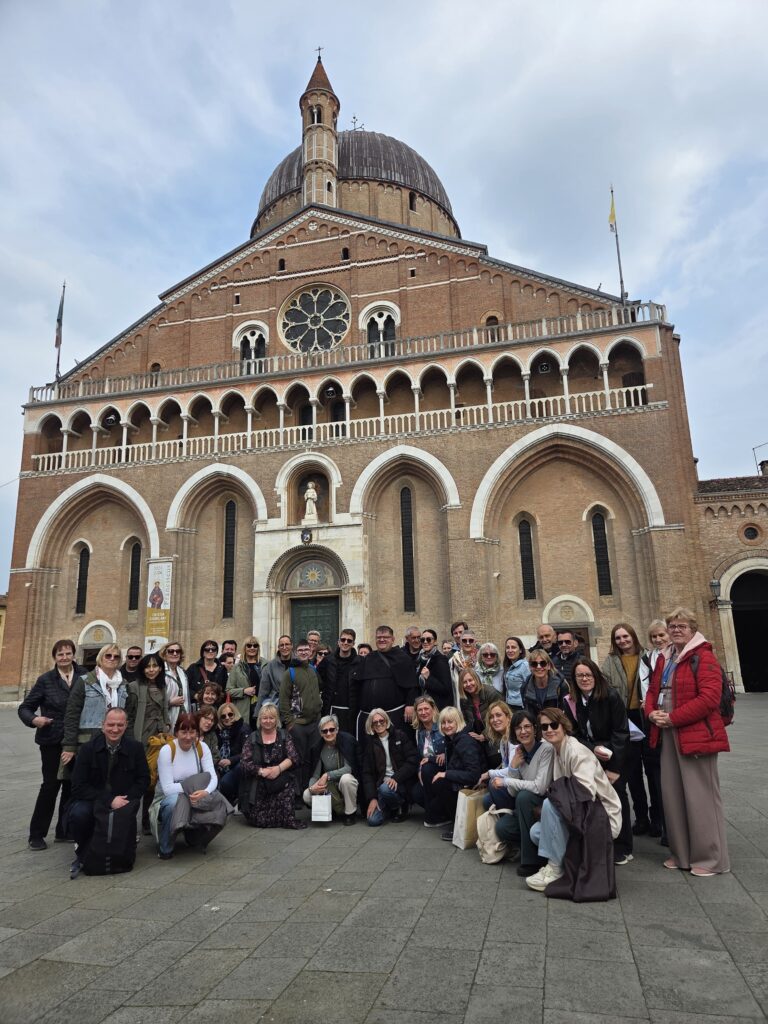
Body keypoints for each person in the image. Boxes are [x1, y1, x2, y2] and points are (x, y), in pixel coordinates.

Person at [645, 607, 730, 876]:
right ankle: (681, 853)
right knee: (673, 795)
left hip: (694, 733)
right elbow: (652, 691)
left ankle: (710, 859)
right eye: (672, 626)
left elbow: (709, 699)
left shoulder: (703, 657)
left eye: (682, 626)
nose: (676, 630)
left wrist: (673, 717)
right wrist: (651, 713)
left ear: (692, 629)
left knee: (700, 796)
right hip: (667, 731)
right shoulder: (665, 659)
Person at [526, 708, 622, 899]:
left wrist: (553, 801)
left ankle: (555, 868)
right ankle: (570, 861)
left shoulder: (576, 751)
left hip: (600, 816)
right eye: (544, 727)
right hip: (582, 812)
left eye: (554, 725)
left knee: (549, 807)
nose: (549, 730)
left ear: (563, 726)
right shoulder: (556, 750)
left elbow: (585, 792)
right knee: (536, 832)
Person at [563, 657, 633, 866]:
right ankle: (603, 842)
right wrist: (593, 748)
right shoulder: (572, 701)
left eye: (588, 674)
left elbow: (621, 732)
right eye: (579, 676)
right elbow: (573, 732)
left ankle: (623, 846)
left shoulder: (611, 696)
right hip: (589, 755)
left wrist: (614, 767)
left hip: (613, 755)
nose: (584, 679)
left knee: (617, 798)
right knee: (597, 799)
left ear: (595, 675)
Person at [68, 707, 149, 878]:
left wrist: (126, 799)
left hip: (124, 799)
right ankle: (83, 850)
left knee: (125, 815)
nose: (115, 729)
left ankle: (120, 851)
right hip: (93, 798)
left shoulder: (136, 748)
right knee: (78, 814)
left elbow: (143, 780)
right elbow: (78, 785)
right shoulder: (88, 749)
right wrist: (109, 800)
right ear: (102, 725)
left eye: (120, 725)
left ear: (126, 725)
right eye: (111, 724)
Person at [18, 638, 79, 850]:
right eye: (60, 654)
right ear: (55, 657)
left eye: (68, 653)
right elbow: (25, 708)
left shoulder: (83, 677)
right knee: (51, 785)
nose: (64, 657)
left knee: (72, 785)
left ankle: (64, 830)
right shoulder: (45, 680)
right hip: (52, 740)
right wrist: (35, 720)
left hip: (76, 740)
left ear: (74, 655)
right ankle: (37, 834)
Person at [601, 623, 653, 836]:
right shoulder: (611, 661)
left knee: (653, 770)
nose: (623, 641)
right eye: (618, 638)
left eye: (626, 636)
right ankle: (641, 818)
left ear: (633, 636)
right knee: (632, 773)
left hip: (646, 718)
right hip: (625, 720)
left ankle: (658, 818)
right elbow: (604, 687)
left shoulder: (648, 658)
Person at [490, 709, 555, 877]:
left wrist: (506, 780)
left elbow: (540, 787)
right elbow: (511, 792)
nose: (523, 731)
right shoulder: (519, 751)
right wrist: (513, 767)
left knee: (524, 797)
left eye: (527, 727)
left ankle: (531, 861)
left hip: (543, 803)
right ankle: (535, 847)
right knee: (502, 827)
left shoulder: (546, 749)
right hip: (525, 805)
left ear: (535, 729)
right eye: (519, 728)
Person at [151, 712, 220, 859]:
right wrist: (193, 791)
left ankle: (195, 834)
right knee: (173, 804)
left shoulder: (202, 748)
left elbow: (212, 777)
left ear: (197, 732)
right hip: (169, 796)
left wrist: (205, 792)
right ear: (176, 732)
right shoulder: (167, 750)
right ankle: (166, 846)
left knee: (217, 799)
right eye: (184, 732)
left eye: (192, 732)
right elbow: (168, 788)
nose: (188, 737)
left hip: (196, 791)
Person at [61, 644, 137, 775]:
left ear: (119, 661)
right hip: (88, 741)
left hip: (117, 741)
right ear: (100, 658)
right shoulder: (85, 681)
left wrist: (130, 744)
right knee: (86, 782)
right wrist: (69, 745)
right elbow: (72, 714)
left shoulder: (124, 685)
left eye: (116, 656)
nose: (112, 658)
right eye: (108, 655)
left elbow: (128, 717)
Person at [239, 703, 306, 829]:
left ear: (276, 720)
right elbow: (244, 763)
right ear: (260, 720)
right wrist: (261, 771)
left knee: (288, 785)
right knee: (260, 822)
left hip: (280, 779)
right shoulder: (252, 738)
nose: (268, 721)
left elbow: (294, 757)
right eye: (264, 718)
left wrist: (278, 769)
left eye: (271, 718)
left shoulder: (284, 735)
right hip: (259, 781)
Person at [424, 706, 484, 840]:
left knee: (440, 782)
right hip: (459, 781)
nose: (446, 726)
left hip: (472, 786)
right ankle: (450, 817)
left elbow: (474, 775)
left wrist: (446, 774)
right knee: (432, 808)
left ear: (458, 722)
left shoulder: (465, 741)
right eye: (443, 723)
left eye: (450, 722)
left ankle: (458, 825)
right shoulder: (451, 740)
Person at [129, 652, 170, 834]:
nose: (151, 670)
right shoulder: (134, 687)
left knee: (153, 780)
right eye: (147, 666)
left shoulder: (162, 687)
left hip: (157, 739)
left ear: (160, 668)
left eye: (155, 666)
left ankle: (147, 820)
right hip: (140, 738)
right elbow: (129, 715)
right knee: (137, 779)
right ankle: (129, 817)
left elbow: (164, 711)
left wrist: (166, 727)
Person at [354, 625, 417, 740]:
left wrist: (410, 704)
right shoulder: (368, 658)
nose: (382, 640)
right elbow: (358, 683)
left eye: (385, 637)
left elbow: (412, 684)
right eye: (379, 637)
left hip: (394, 715)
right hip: (370, 716)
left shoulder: (402, 658)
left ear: (392, 639)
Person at [362, 708, 419, 826]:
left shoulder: (400, 736)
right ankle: (390, 807)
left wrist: (396, 778)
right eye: (375, 722)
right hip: (381, 786)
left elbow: (413, 760)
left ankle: (401, 804)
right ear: (371, 726)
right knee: (373, 820)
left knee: (385, 789)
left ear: (387, 721)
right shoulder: (369, 744)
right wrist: (372, 798)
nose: (378, 724)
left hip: (400, 783)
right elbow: (367, 774)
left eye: (381, 721)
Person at [279, 639, 322, 794]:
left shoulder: (312, 670)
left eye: (307, 649)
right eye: (301, 650)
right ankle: (297, 793)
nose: (304, 652)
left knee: (313, 758)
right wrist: (290, 723)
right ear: (296, 652)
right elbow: (283, 700)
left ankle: (309, 791)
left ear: (311, 651)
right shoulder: (289, 673)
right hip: (298, 724)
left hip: (314, 723)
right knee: (297, 760)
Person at [641, 620, 670, 842]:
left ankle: (673, 826)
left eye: (662, 635)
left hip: (671, 721)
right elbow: (649, 688)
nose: (658, 640)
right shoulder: (648, 658)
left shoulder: (678, 656)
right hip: (652, 720)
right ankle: (659, 819)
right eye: (654, 637)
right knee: (655, 772)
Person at [303, 715, 359, 824]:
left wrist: (327, 775)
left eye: (331, 729)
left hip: (345, 783)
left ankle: (350, 813)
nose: (328, 733)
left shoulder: (347, 741)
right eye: (325, 731)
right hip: (330, 787)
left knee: (346, 779)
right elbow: (315, 775)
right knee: (306, 795)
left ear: (337, 729)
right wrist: (313, 787)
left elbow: (349, 769)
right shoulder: (318, 748)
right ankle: (331, 810)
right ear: (321, 733)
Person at [317, 628, 361, 735]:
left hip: (351, 711)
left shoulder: (360, 662)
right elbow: (318, 681)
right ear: (338, 642)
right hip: (331, 708)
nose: (345, 642)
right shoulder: (328, 661)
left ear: (353, 643)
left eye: (349, 641)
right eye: (343, 639)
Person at [409, 695, 446, 820]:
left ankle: (436, 815)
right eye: (420, 710)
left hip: (443, 770)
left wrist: (445, 754)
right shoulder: (419, 732)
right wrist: (419, 771)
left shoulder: (443, 726)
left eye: (426, 708)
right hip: (427, 771)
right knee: (416, 793)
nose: (423, 712)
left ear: (433, 709)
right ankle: (438, 813)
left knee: (429, 772)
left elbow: (455, 745)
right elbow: (421, 757)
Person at [479, 700, 516, 810]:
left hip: (518, 783)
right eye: (491, 717)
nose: (495, 720)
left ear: (508, 717)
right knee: (487, 801)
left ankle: (512, 816)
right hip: (510, 781)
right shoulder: (502, 741)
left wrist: (489, 773)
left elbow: (512, 769)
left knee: (493, 783)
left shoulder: (513, 738)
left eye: (498, 715)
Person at [226, 636, 265, 725]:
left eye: (255, 646)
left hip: (262, 709)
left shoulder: (265, 665)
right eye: (249, 645)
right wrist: (243, 691)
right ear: (245, 647)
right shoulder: (237, 667)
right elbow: (228, 691)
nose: (252, 648)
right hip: (243, 711)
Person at [520, 649, 568, 715]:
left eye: (543, 663)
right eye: (534, 664)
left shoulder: (561, 685)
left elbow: (565, 713)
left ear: (548, 666)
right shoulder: (525, 687)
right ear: (530, 667)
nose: (539, 667)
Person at [216, 703, 247, 802]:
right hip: (220, 765)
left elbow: (248, 753)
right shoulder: (218, 731)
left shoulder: (243, 728)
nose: (227, 718)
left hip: (236, 766)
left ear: (235, 714)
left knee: (225, 783)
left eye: (230, 714)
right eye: (223, 716)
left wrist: (230, 760)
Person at [415, 629, 453, 710]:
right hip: (424, 707)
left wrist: (429, 678)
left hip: (437, 708)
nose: (425, 642)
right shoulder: (420, 659)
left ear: (435, 641)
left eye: (428, 639)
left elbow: (446, 689)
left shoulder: (440, 660)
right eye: (422, 640)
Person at [457, 667, 497, 740]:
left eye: (470, 680)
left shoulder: (491, 693)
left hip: (495, 734)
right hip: (477, 736)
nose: (468, 684)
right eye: (465, 682)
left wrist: (484, 736)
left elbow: (499, 720)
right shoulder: (463, 700)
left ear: (476, 679)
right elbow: (467, 721)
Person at [159, 641, 191, 727]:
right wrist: (169, 703)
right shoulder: (160, 672)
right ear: (164, 654)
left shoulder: (182, 672)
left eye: (178, 651)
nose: (175, 653)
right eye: (171, 651)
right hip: (167, 716)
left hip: (183, 715)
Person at [258, 636, 293, 708]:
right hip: (276, 705)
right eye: (281, 645)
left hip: (295, 705)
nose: (284, 647)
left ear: (291, 646)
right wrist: (258, 712)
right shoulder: (270, 666)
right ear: (278, 647)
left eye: (287, 644)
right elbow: (263, 691)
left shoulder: (298, 663)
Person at [449, 628, 478, 704]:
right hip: (460, 697)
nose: (467, 643)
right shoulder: (453, 660)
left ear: (475, 642)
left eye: (470, 640)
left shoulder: (481, 658)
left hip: (478, 696)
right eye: (464, 640)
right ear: (460, 642)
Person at [501, 636, 529, 709]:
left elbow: (530, 688)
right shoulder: (508, 666)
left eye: (513, 647)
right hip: (509, 705)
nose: (510, 650)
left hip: (521, 706)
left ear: (520, 650)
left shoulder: (525, 666)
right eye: (507, 647)